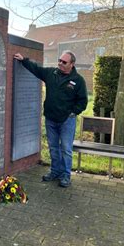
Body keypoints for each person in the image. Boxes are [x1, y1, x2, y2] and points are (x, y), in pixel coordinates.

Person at [14, 50, 88, 187]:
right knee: (53, 148)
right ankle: (55, 171)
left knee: (66, 149)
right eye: (59, 60)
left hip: (67, 121)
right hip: (51, 119)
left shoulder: (78, 80)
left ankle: (65, 175)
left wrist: (73, 113)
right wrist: (23, 60)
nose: (60, 63)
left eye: (64, 62)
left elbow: (83, 101)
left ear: (71, 64)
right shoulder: (51, 73)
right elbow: (36, 69)